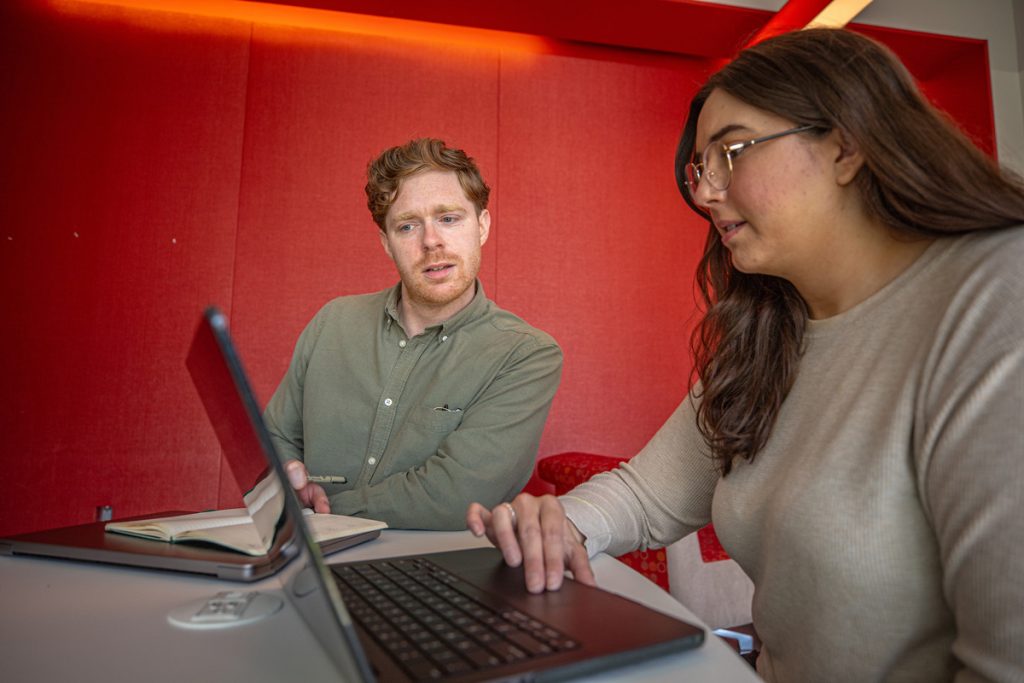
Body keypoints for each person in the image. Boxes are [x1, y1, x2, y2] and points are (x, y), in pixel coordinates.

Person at [467, 28, 1024, 682]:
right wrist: (555, 524)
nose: (704, 193)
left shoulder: (996, 293)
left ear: (847, 144)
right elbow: (647, 497)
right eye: (701, 167)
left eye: (732, 151)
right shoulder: (771, 330)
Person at [266, 138, 562, 530]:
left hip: (435, 574)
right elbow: (274, 438)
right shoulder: (332, 321)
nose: (431, 241)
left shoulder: (525, 354)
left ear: (483, 227)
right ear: (387, 243)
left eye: (449, 219)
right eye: (408, 226)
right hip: (309, 562)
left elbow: (454, 498)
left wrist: (324, 514)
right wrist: (287, 480)